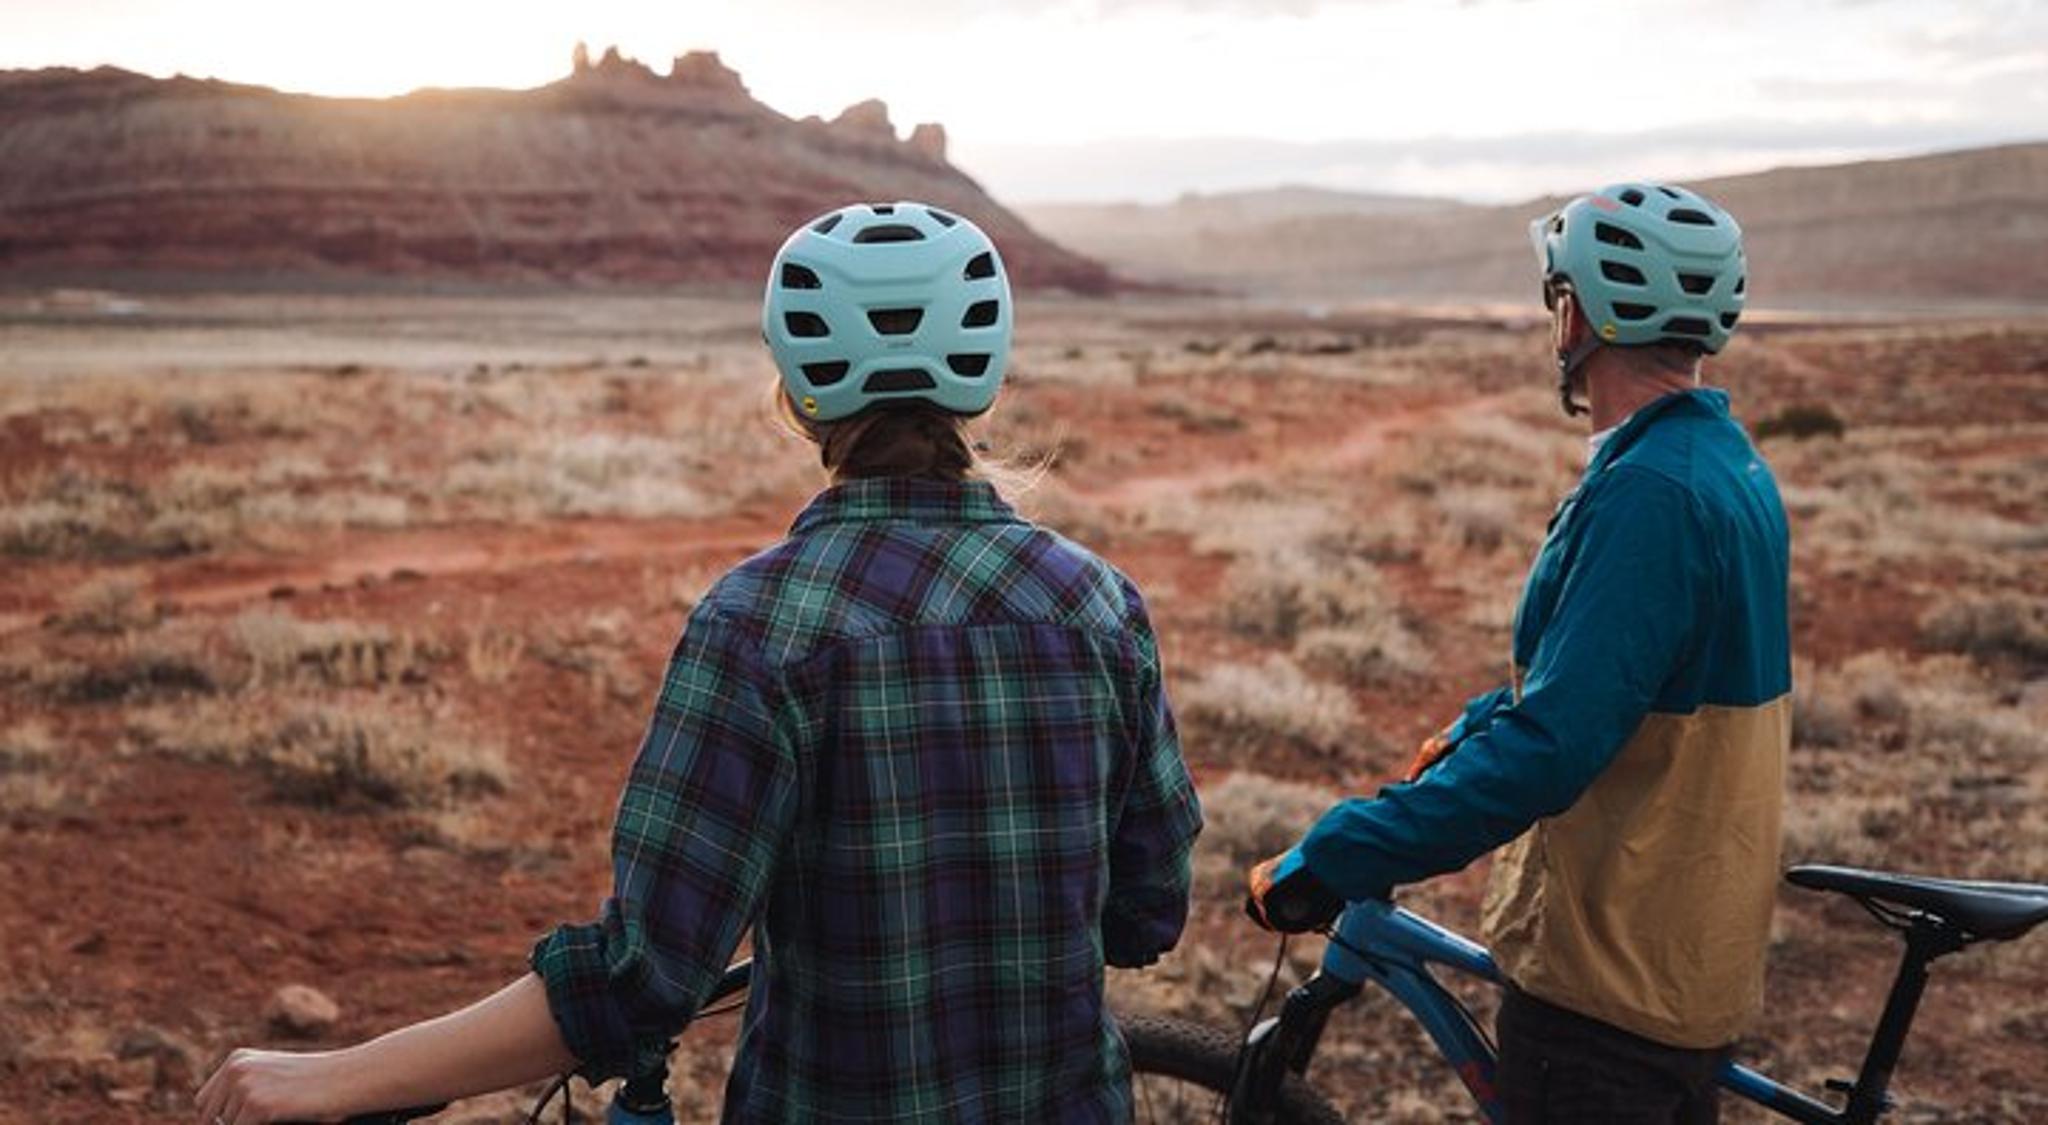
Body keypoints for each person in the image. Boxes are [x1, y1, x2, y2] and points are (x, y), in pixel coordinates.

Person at [198, 201, 1203, 1124]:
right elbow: (1144, 912)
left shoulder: (760, 624)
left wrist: (338, 1076)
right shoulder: (1098, 606)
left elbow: (640, 979)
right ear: (985, 380)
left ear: (796, 393)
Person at [1246, 182, 1790, 1124]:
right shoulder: (1721, 463)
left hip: (1611, 981)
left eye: (1557, 297)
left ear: (1577, 311)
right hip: (1680, 946)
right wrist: (1475, 725)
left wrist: (1343, 848)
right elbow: (1621, 686)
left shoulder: (1650, 495)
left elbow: (1553, 749)